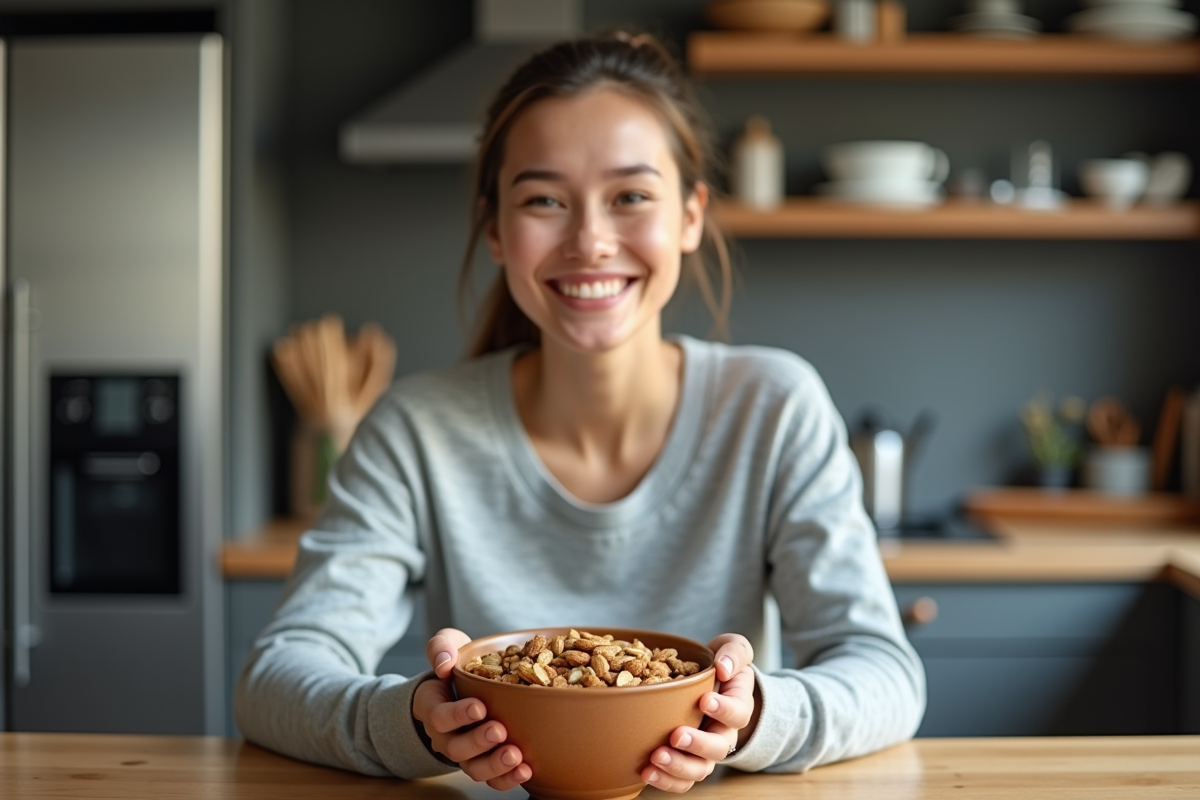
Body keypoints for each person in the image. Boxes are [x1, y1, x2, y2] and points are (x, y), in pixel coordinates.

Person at [234, 30, 925, 795]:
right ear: (495, 228)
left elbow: (886, 673)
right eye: (543, 200)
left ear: (692, 214)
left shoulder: (773, 407)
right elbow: (276, 676)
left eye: (631, 196)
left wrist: (757, 714)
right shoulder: (415, 431)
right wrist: (416, 722)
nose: (591, 241)